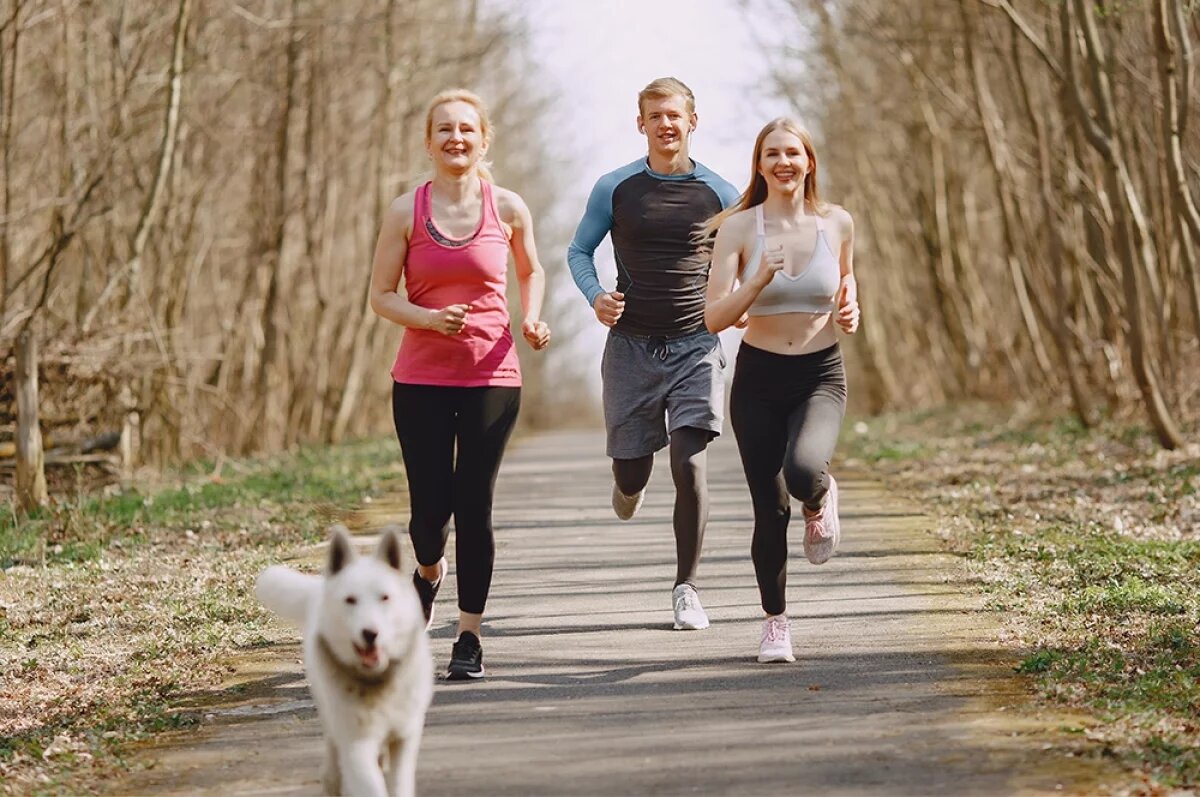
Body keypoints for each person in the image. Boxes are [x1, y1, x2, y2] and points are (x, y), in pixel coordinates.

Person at [368, 88, 551, 681]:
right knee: (429, 515)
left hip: (492, 374)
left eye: (467, 129)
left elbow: (531, 269)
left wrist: (530, 316)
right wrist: (427, 319)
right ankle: (427, 572)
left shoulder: (510, 208)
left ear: (484, 139)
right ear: (428, 142)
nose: (456, 138)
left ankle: (468, 637)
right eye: (444, 129)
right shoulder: (404, 211)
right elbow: (380, 297)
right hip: (420, 376)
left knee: (475, 506)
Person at [567, 77, 739, 631]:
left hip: (695, 347)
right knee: (632, 470)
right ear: (640, 124)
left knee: (688, 465)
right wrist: (597, 298)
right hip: (631, 349)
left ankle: (686, 586)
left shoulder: (721, 193)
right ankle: (627, 485)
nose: (667, 124)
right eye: (655, 116)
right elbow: (578, 251)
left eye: (675, 115)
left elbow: (746, 258)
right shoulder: (615, 187)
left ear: (693, 121)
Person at [701, 117, 861, 663]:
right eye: (772, 154)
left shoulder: (836, 222)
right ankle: (776, 624)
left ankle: (820, 495)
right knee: (768, 510)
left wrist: (851, 302)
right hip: (758, 381)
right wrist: (754, 283)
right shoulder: (739, 229)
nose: (783, 162)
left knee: (801, 471)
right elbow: (713, 317)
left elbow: (845, 276)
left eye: (793, 153)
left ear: (809, 161)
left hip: (820, 374)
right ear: (760, 164)